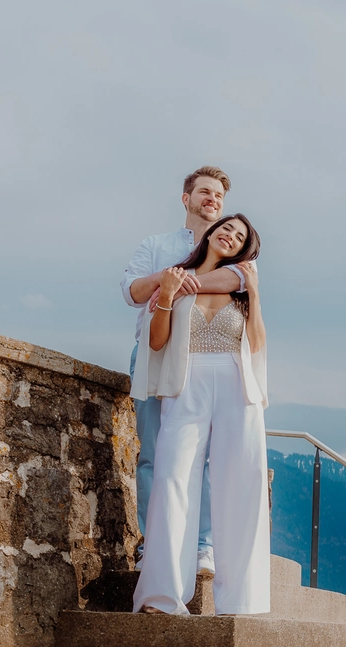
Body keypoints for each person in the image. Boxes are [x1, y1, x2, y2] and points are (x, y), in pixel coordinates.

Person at [130, 213, 271, 617]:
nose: (230, 235)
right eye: (226, 228)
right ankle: (161, 598)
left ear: (243, 249)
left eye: (239, 236)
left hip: (236, 383)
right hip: (186, 383)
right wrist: (169, 296)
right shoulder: (176, 277)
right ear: (211, 233)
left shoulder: (241, 285)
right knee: (172, 479)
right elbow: (157, 343)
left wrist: (257, 294)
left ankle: (242, 603)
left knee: (242, 483)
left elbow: (258, 343)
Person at [121, 166, 252, 575]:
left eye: (219, 195)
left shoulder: (232, 249)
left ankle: (202, 546)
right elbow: (131, 292)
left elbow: (238, 282)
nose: (213, 199)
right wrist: (166, 279)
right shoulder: (156, 245)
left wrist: (179, 282)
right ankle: (151, 544)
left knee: (209, 456)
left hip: (204, 360)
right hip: (152, 352)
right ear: (187, 198)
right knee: (153, 456)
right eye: (206, 192)